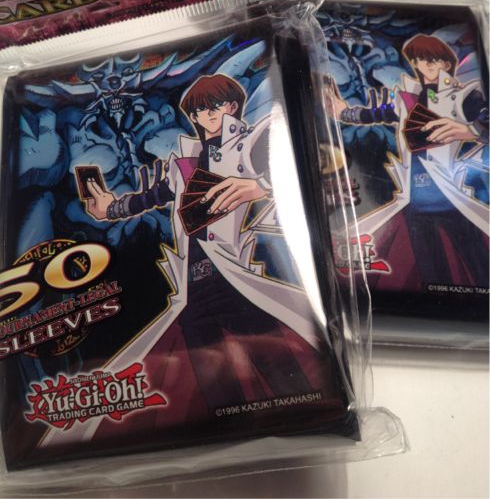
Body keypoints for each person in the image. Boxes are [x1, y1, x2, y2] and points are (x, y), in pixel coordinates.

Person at [84, 73, 323, 410]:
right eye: (199, 110)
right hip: (194, 280)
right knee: (208, 364)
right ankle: (229, 422)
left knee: (269, 352)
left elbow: (294, 161)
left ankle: (308, 409)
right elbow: (153, 196)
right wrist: (111, 208)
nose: (207, 115)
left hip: (232, 272)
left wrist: (260, 186)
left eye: (215, 106)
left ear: (233, 107)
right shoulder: (187, 159)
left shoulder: (248, 144)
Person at [326, 34, 489, 288]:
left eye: (434, 59)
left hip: (451, 194)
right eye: (421, 59)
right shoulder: (408, 98)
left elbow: (485, 120)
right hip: (416, 198)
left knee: (478, 262)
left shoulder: (462, 96)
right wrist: (343, 112)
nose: (428, 64)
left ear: (446, 63)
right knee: (430, 269)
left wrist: (470, 131)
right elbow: (374, 114)